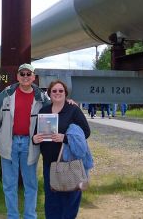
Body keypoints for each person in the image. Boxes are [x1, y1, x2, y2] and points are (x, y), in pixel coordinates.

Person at [0, 63, 49, 219]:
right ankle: (12, 216)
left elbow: (56, 110)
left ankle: (30, 216)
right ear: (18, 76)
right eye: (22, 74)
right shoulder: (6, 94)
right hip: (8, 143)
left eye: (28, 74)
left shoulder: (42, 97)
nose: (25, 77)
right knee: (9, 185)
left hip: (30, 144)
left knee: (30, 184)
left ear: (33, 77)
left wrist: (69, 103)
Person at [33, 80, 91, 219]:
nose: (57, 93)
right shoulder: (44, 111)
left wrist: (65, 138)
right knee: (52, 200)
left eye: (61, 91)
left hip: (69, 163)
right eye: (54, 91)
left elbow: (86, 132)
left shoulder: (73, 109)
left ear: (65, 93)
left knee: (70, 198)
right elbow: (36, 133)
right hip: (50, 163)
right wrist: (34, 139)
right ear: (49, 94)